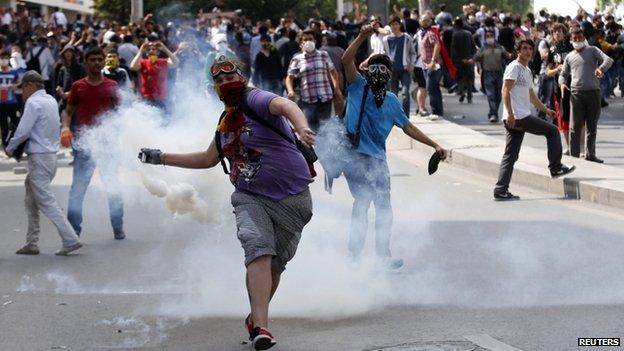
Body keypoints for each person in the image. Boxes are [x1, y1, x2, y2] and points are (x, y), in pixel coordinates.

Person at [138, 57, 315, 351]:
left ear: (242, 77)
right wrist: (161, 157)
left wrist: (301, 127)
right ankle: (261, 328)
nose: (225, 84)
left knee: (275, 266)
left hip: (293, 197)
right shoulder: (225, 124)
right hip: (250, 197)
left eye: (229, 77)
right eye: (218, 81)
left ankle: (255, 317)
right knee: (258, 251)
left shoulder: (255, 99)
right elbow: (209, 159)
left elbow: (285, 106)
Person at [341, 25, 447, 269]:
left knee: (384, 209)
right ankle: (354, 255)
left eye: (383, 69)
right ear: (367, 71)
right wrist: (362, 37)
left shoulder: (391, 100)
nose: (379, 73)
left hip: (378, 161)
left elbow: (407, 127)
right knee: (362, 205)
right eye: (374, 68)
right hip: (355, 158)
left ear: (389, 74)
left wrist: (434, 144)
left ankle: (383, 256)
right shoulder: (357, 87)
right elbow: (346, 60)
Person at [4, 71, 82, 256]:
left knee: (46, 202)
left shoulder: (33, 102)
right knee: (31, 200)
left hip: (39, 158)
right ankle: (32, 243)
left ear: (30, 85)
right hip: (50, 156)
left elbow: (23, 131)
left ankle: (70, 238)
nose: (22, 93)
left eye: (23, 88)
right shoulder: (50, 100)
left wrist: (10, 147)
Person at [494, 39, 575, 201]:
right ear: (518, 51)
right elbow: (505, 90)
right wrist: (509, 113)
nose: (528, 51)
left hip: (518, 117)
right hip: (518, 117)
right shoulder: (514, 67)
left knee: (510, 155)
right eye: (524, 49)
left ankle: (500, 190)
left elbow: (531, 95)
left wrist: (545, 110)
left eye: (530, 49)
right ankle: (556, 167)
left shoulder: (527, 70)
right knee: (552, 131)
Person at [61, 47, 125, 239]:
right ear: (86, 62)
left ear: (103, 61)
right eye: (93, 59)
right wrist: (65, 127)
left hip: (107, 145)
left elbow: (120, 114)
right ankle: (73, 231)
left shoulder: (112, 85)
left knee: (113, 187)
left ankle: (117, 227)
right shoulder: (78, 86)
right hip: (84, 145)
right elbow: (68, 111)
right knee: (78, 189)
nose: (97, 63)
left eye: (99, 59)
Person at [559, 27, 613, 163]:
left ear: (584, 38)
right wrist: (562, 84)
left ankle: (591, 154)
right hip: (576, 94)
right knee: (574, 128)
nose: (577, 39)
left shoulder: (593, 50)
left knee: (592, 126)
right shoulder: (570, 56)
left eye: (579, 37)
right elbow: (563, 74)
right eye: (574, 38)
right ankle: (574, 156)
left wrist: (601, 69)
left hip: (593, 93)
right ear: (571, 39)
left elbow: (608, 60)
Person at [286, 29, 343, 131]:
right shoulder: (297, 58)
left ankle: (326, 146)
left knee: (326, 129)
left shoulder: (323, 54)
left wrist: (336, 87)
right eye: (305, 39)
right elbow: (289, 77)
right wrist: (290, 91)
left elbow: (333, 71)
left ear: (315, 41)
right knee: (311, 129)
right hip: (308, 100)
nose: (308, 42)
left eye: (310, 39)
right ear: (301, 42)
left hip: (325, 98)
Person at [468, 29, 512, 122]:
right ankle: (493, 114)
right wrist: (470, 61)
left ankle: (493, 112)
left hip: (499, 73)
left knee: (498, 95)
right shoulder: (483, 48)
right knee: (490, 94)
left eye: (491, 36)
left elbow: (508, 56)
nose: (489, 38)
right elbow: (476, 57)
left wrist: (512, 54)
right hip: (487, 73)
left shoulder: (500, 47)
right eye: (487, 36)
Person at [130, 39, 179, 110]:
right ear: (147, 53)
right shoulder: (143, 63)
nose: (151, 51)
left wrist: (164, 48)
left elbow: (176, 63)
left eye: (154, 49)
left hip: (162, 99)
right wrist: (141, 50)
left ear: (158, 53)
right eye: (149, 50)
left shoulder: (163, 62)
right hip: (147, 99)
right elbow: (132, 66)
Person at [382, 15, 416, 116]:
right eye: (392, 25)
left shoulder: (406, 38)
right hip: (392, 70)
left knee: (405, 93)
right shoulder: (386, 39)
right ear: (390, 26)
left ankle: (406, 116)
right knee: (394, 94)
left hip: (405, 69)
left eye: (396, 24)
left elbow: (413, 53)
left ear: (399, 25)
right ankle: (395, 115)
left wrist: (412, 64)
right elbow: (385, 54)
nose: (394, 26)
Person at [418, 14, 444, 116]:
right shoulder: (421, 33)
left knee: (431, 88)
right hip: (425, 65)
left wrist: (433, 60)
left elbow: (437, 45)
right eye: (423, 20)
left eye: (427, 20)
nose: (425, 22)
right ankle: (438, 111)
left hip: (432, 66)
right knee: (434, 88)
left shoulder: (430, 33)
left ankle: (436, 111)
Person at [450, 18, 476, 104]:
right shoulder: (469, 34)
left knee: (461, 78)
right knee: (469, 78)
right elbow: (473, 47)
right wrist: (471, 58)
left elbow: (454, 49)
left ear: (456, 25)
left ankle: (461, 92)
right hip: (469, 59)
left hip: (459, 60)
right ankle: (469, 96)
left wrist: (456, 60)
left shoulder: (455, 35)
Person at [0, 50, 20, 147]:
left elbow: (20, 82)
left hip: (12, 102)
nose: (3, 60)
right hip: (1, 103)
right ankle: (5, 145)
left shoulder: (13, 71)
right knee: (3, 126)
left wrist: (14, 86)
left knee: (15, 123)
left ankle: (14, 144)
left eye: (5, 58)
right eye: (2, 58)